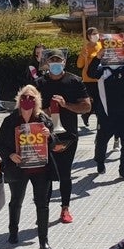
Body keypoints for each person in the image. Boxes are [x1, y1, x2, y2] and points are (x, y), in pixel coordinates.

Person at [0, 84, 73, 249]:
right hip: (19, 167)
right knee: (16, 201)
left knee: (42, 204)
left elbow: (54, 145)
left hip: (40, 168)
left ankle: (43, 240)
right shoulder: (10, 120)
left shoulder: (44, 119)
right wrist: (9, 155)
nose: (27, 101)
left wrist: (49, 136)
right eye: (24, 97)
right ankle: (13, 232)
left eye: (31, 98)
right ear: (19, 99)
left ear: (37, 100)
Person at [34, 50, 92, 224]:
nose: (55, 64)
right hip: (45, 135)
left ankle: (65, 208)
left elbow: (86, 107)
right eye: (52, 61)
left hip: (68, 135)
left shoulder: (74, 81)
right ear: (47, 63)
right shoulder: (39, 83)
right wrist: (47, 111)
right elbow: (30, 109)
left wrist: (65, 105)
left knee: (65, 173)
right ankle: (43, 210)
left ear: (64, 62)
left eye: (58, 60)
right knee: (46, 174)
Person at [87, 40, 124, 180]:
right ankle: (99, 162)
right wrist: (98, 57)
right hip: (106, 113)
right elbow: (90, 72)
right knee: (102, 141)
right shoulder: (102, 70)